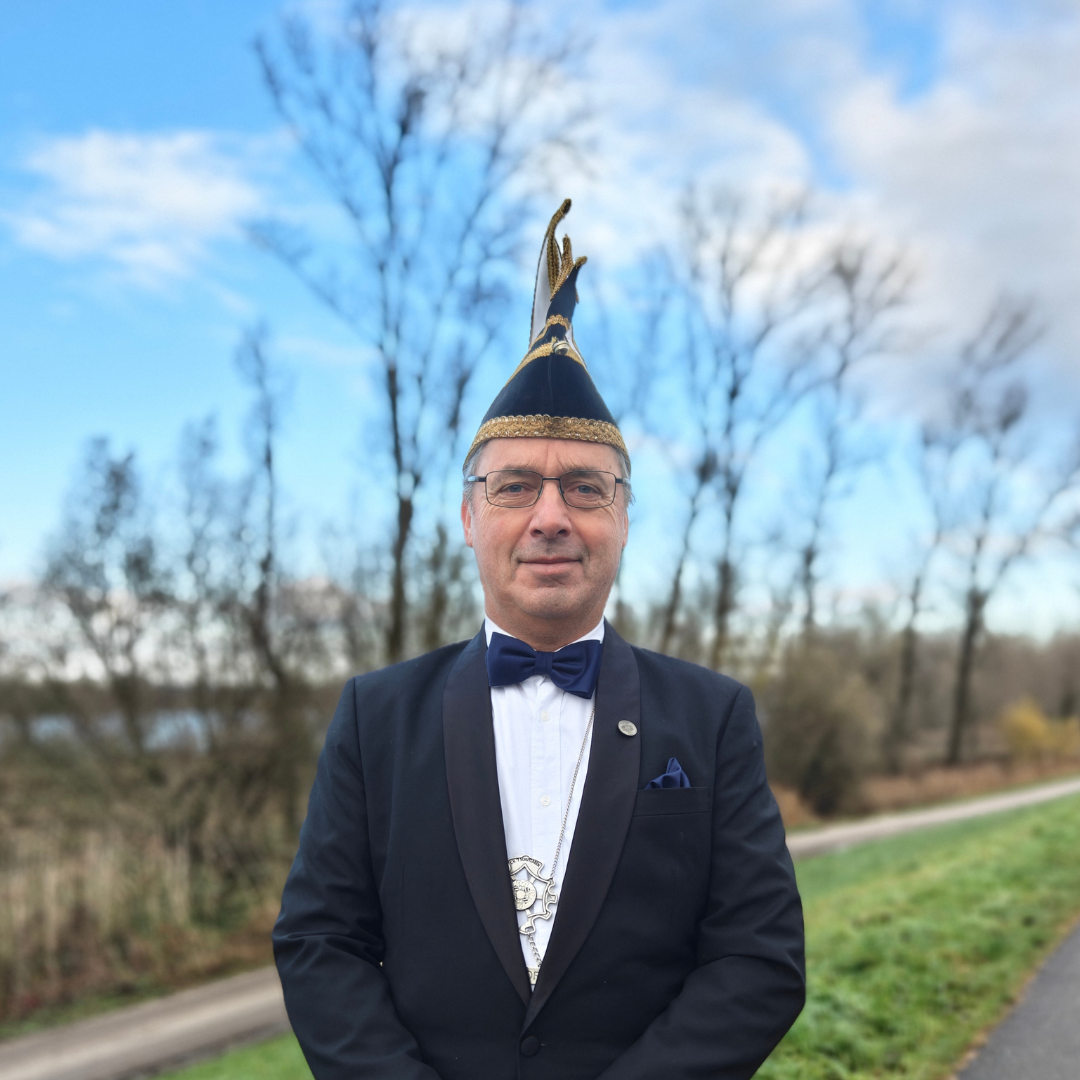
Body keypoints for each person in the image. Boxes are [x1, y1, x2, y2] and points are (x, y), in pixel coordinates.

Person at [274, 200, 805, 1080]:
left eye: (586, 489)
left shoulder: (712, 718)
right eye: (516, 486)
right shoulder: (376, 716)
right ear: (468, 518)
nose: (551, 517)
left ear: (623, 518)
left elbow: (759, 959)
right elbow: (320, 943)